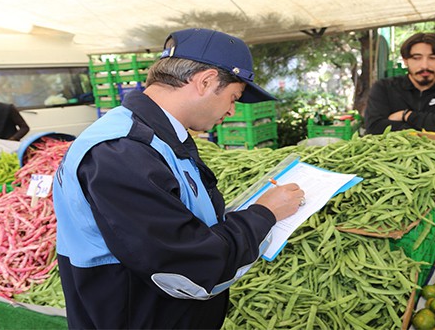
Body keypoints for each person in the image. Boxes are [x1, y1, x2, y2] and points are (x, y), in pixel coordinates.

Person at [52, 28, 305, 329]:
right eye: (233, 97)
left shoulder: (154, 136)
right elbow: (190, 263)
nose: (231, 110)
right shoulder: (121, 152)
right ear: (206, 81)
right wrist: (265, 214)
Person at [364, 32, 435, 135]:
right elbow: (374, 127)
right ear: (406, 61)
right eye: (417, 58)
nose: (425, 65)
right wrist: (434, 127)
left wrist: (407, 115)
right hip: (391, 154)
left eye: (433, 58)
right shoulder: (384, 88)